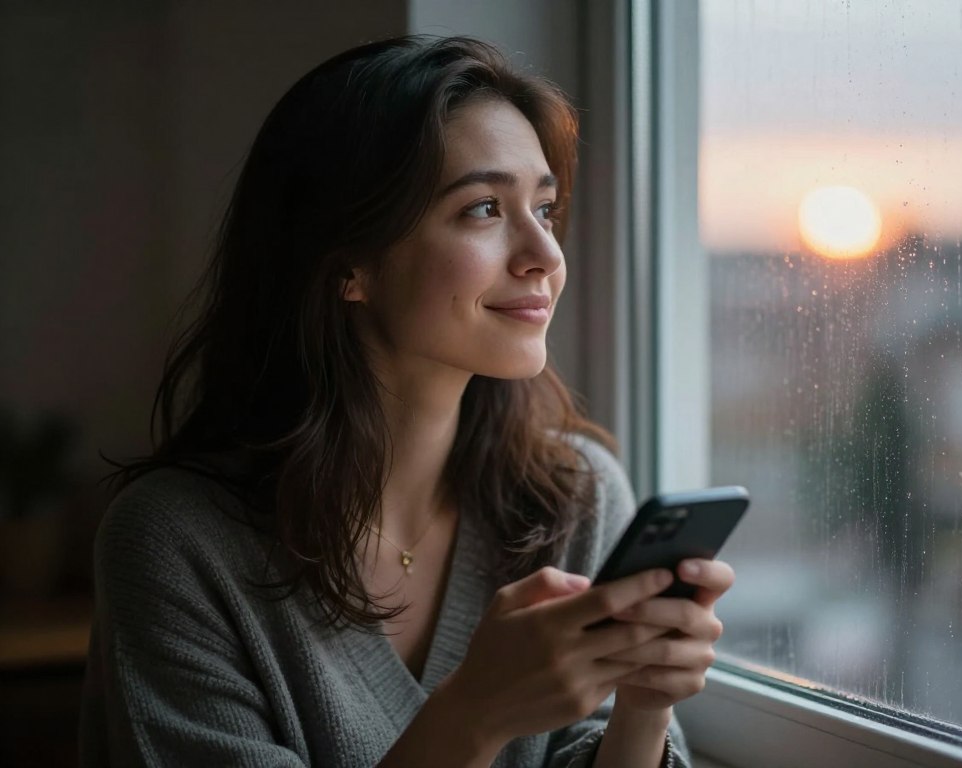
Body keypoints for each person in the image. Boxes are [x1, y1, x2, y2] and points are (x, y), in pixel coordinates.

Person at [79, 35, 734, 768]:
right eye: (484, 208)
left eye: (545, 209)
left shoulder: (572, 497)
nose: (546, 256)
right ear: (350, 265)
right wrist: (475, 714)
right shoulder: (176, 544)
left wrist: (644, 705)